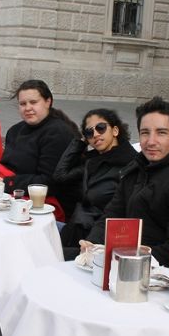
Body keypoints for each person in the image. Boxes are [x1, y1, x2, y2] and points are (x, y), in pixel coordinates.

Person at [86, 96, 169, 264]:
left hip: (156, 271)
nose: (151, 141)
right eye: (145, 133)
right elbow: (112, 215)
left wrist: (123, 256)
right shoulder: (137, 166)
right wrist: (92, 244)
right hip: (123, 257)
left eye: (161, 133)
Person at [0, 79, 80, 219]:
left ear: (48, 102)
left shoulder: (58, 133)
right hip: (10, 196)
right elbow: (6, 165)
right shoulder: (15, 130)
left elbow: (49, 182)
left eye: (33, 102)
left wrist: (8, 183)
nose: (27, 108)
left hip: (43, 206)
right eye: (22, 104)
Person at [53, 108, 136, 255]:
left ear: (115, 130)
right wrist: (80, 142)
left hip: (96, 240)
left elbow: (119, 213)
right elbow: (60, 175)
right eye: (89, 132)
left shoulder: (129, 164)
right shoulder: (93, 161)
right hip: (75, 230)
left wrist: (93, 242)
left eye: (101, 128)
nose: (96, 134)